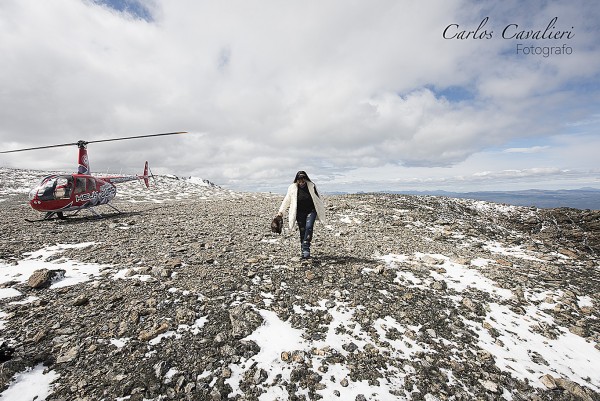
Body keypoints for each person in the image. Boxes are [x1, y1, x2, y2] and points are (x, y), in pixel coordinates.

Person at [277, 171, 326, 260]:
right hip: (299, 212)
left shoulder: (311, 186)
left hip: (311, 210)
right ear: (297, 180)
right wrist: (281, 212)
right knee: (302, 230)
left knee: (309, 227)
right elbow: (286, 200)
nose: (301, 182)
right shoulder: (292, 188)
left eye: (303, 179)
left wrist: (321, 209)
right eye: (299, 180)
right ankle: (304, 252)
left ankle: (306, 246)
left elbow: (317, 198)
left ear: (306, 179)